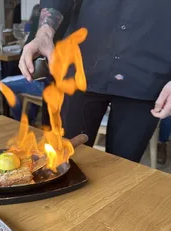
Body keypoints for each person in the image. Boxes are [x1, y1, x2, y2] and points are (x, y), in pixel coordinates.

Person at [19, 1, 171, 163]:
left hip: (148, 74)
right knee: (60, 163)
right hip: (79, 65)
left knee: (122, 170)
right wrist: (44, 33)